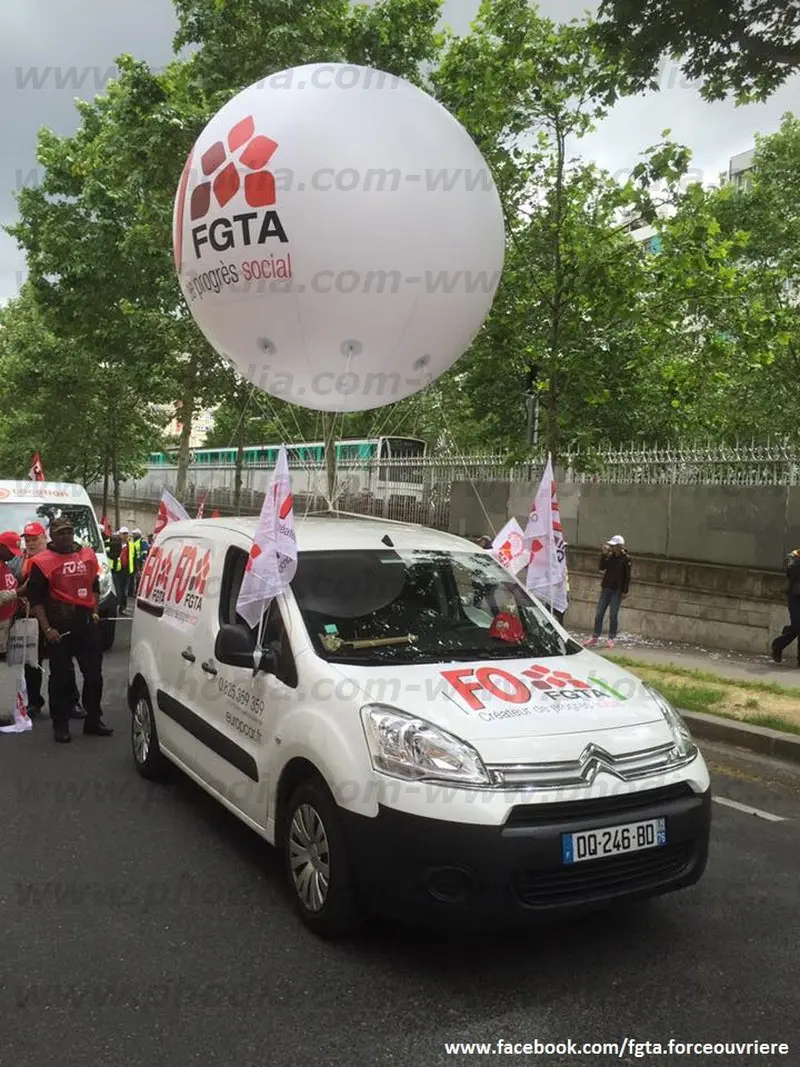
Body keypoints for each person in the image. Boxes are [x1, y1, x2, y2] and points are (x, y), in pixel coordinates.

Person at [26, 515, 113, 743]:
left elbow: (94, 584)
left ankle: (93, 719)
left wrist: (94, 610)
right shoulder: (42, 562)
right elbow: (36, 600)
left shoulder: (87, 555)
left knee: (94, 677)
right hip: (58, 628)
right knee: (61, 679)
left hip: (86, 624)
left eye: (69, 531)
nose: (65, 536)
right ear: (51, 536)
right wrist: (47, 629)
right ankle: (61, 724)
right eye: (60, 532)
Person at [16, 521, 83, 719]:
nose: (31, 543)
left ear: (45, 538)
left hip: (55, 618)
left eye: (35, 539)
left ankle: (72, 702)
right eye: (27, 540)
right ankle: (34, 702)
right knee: (32, 662)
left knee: (64, 663)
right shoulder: (20, 560)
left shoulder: (57, 558)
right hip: (30, 618)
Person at [585, 534, 631, 649]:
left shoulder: (626, 559)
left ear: (619, 547)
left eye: (614, 546)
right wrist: (604, 554)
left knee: (613, 614)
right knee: (599, 612)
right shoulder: (610, 556)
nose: (611, 547)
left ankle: (611, 638)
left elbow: (627, 576)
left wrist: (625, 591)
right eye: (611, 546)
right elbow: (602, 567)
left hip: (617, 590)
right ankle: (595, 636)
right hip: (606, 588)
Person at [770, 548, 800, 663]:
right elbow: (790, 570)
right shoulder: (794, 555)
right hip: (796, 596)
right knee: (797, 625)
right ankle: (778, 645)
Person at [0, 531, 21, 657]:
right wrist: (19, 592)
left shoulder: (4, 564)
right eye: (11, 550)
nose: (13, 555)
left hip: (6, 622)